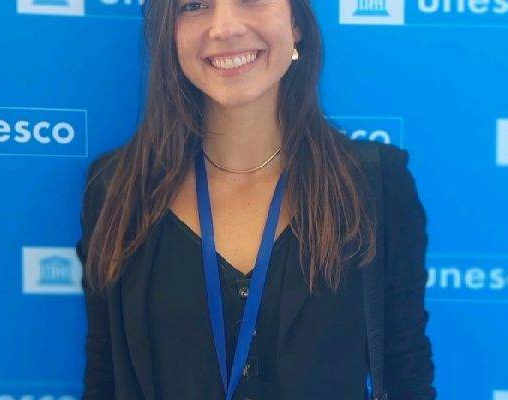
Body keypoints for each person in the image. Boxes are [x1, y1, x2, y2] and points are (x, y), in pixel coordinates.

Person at [75, 0, 437, 399]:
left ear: (296, 23)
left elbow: (408, 377)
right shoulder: (116, 190)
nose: (225, 27)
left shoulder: (376, 185)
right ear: (168, 33)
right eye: (194, 5)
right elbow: (105, 380)